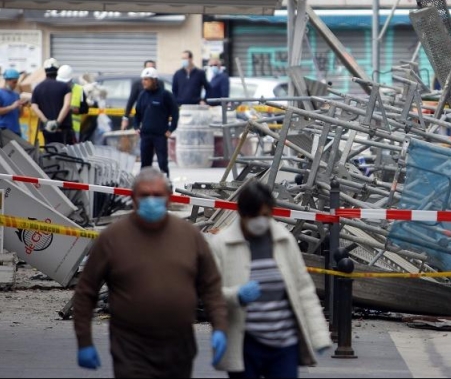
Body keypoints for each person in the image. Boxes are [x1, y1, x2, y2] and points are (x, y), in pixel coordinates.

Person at [72, 167, 229, 378]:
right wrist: (84, 341)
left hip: (178, 348)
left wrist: (219, 327)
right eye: (145, 195)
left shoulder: (189, 236)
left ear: (168, 198)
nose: (151, 201)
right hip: (130, 349)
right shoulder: (113, 238)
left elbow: (211, 286)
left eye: (157, 195)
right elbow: (86, 292)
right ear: (133, 199)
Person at [209, 181, 332, 379]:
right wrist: (236, 296)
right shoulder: (222, 244)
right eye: (255, 216)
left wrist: (319, 335)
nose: (261, 221)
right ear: (242, 214)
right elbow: (210, 293)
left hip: (284, 344)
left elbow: (303, 290)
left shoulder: (283, 240)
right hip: (245, 344)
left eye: (266, 215)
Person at [133, 67, 179, 178]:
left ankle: (167, 185)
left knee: (162, 162)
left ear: (154, 80)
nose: (144, 82)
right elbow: (137, 113)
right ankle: (144, 185)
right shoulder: (142, 95)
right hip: (146, 135)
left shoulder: (165, 95)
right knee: (145, 163)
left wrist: (171, 129)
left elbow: (175, 113)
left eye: (147, 79)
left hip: (160, 135)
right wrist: (136, 126)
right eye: (143, 79)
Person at [30, 58, 74, 145]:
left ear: (45, 71)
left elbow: (34, 107)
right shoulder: (65, 87)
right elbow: (67, 105)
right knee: (66, 155)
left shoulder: (38, 88)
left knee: (50, 152)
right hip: (63, 128)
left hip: (47, 129)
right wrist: (57, 122)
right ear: (57, 70)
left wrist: (46, 122)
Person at [122, 60, 159, 130]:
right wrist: (125, 118)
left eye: (153, 68)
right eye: (148, 69)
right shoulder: (138, 85)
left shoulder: (160, 84)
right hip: (143, 119)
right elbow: (131, 101)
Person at [57, 64, 89, 143]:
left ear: (71, 80)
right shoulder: (56, 89)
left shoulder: (79, 90)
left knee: (71, 152)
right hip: (58, 127)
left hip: (73, 129)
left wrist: (74, 109)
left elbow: (85, 109)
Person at [0, 68, 26, 136]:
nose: (15, 85)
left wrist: (21, 106)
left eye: (16, 82)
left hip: (16, 130)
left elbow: (19, 115)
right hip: (4, 130)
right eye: (14, 82)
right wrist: (12, 107)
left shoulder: (16, 95)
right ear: (7, 80)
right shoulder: (1, 93)